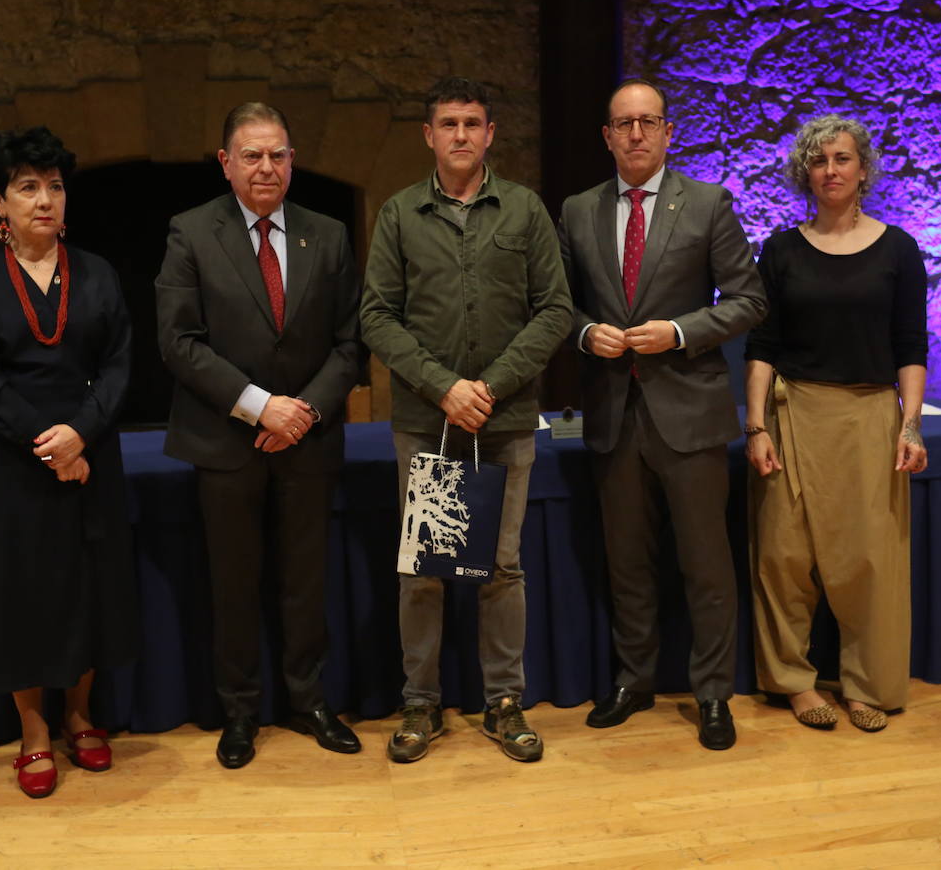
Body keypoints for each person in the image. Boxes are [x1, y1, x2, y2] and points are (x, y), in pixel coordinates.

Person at [361, 77, 571, 763]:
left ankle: (504, 701)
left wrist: (490, 385)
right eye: (447, 122)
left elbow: (554, 311)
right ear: (428, 135)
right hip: (430, 421)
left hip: (505, 419)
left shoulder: (525, 211)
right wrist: (446, 387)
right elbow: (376, 317)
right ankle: (421, 702)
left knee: (501, 567)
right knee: (424, 569)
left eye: (472, 123)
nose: (459, 134)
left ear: (489, 135)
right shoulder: (399, 215)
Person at [557, 79, 766, 749]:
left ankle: (711, 693)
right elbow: (557, 307)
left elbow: (749, 300)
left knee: (706, 561)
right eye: (625, 124)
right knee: (627, 561)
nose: (637, 134)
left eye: (649, 122)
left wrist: (677, 332)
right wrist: (589, 335)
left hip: (691, 411)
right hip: (615, 413)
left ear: (669, 132)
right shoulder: (578, 209)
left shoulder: (708, 203)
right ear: (608, 137)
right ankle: (633, 679)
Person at [156, 102, 362, 769]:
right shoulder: (190, 232)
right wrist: (258, 406)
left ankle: (309, 702)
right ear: (226, 163)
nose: (266, 167)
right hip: (226, 441)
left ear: (293, 160)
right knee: (235, 583)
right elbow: (178, 342)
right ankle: (240, 711)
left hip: (308, 439)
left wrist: (302, 410)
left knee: (306, 581)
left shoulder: (328, 235)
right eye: (251, 155)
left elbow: (351, 341)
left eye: (277, 154)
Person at [0, 126, 139, 799]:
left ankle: (80, 715)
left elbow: (118, 366)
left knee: (87, 585)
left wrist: (80, 436)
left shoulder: (98, 273)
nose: (44, 200)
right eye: (28, 187)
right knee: (21, 593)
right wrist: (49, 444)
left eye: (54, 186)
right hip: (13, 461)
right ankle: (32, 729)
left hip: (90, 452)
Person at [744, 114, 928, 733]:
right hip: (793, 415)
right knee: (784, 556)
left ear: (863, 169)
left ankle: (867, 684)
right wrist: (755, 425)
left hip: (871, 416)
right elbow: (761, 345)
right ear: (805, 173)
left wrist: (911, 426)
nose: (830, 170)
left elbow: (910, 344)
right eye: (819, 161)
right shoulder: (780, 250)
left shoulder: (899, 249)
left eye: (842, 159)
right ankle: (793, 682)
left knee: (869, 558)